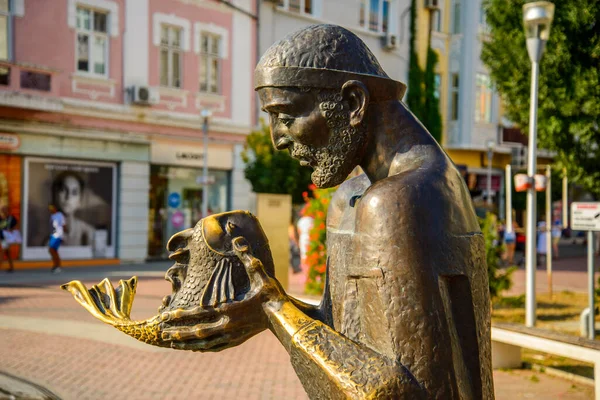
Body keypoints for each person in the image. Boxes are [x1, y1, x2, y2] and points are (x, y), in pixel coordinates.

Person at [159, 25, 493, 398]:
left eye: (285, 117)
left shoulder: (399, 200)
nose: (278, 140)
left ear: (353, 103)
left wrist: (275, 311)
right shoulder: (353, 196)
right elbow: (343, 335)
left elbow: (410, 391)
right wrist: (262, 309)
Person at [52, 171, 95, 246]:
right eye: (63, 190)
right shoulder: (49, 237)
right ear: (55, 195)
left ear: (80, 201)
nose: (68, 197)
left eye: (74, 192)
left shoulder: (88, 233)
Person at [296, 205, 314, 270]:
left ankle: (304, 269)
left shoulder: (300, 221)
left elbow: (299, 231)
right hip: (310, 237)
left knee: (303, 254)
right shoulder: (312, 219)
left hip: (303, 238)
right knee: (310, 253)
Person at [48, 203, 65, 273]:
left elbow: (63, 225)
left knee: (52, 249)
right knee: (52, 250)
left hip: (58, 235)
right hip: (53, 235)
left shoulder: (60, 215)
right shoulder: (52, 216)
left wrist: (63, 236)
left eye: (52, 208)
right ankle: (56, 265)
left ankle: (58, 266)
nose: (50, 209)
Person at [0, 205, 18, 272]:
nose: (3, 211)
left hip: (7, 238)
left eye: (4, 209)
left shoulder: (11, 218)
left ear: (8, 210)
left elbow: (17, 225)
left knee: (2, 251)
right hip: (1, 236)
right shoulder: (1, 218)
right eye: (2, 210)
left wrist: (11, 229)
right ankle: (11, 267)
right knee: (7, 253)